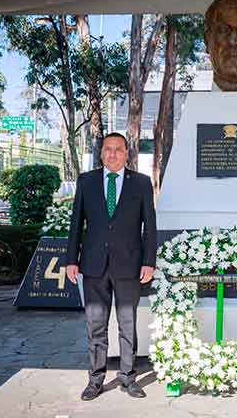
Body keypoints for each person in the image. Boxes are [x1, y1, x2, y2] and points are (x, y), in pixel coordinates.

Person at [65, 132, 156, 401]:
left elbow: (149, 226)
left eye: (118, 149)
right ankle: (95, 379)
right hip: (93, 265)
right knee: (95, 325)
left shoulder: (141, 183)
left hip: (130, 266)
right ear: (101, 153)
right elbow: (75, 225)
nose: (112, 154)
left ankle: (128, 377)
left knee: (127, 324)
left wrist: (149, 262)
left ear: (127, 153)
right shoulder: (87, 181)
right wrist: (72, 259)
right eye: (108, 149)